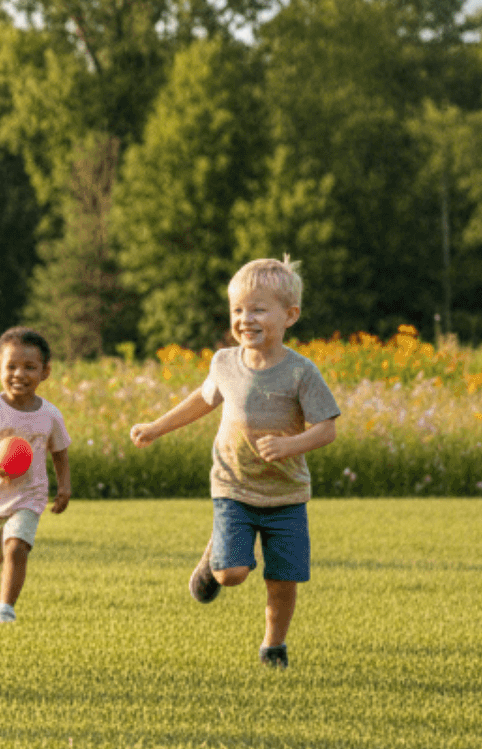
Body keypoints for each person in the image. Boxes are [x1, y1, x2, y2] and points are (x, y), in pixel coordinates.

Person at [130, 257, 339, 669]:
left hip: (286, 494)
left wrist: (291, 445)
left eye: (258, 309)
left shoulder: (301, 372)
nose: (245, 319)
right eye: (238, 310)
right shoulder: (225, 363)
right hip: (233, 486)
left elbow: (327, 428)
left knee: (283, 580)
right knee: (232, 574)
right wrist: (156, 427)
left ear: (290, 315)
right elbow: (202, 400)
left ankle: (273, 646)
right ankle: (215, 560)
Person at [0, 326, 71, 625]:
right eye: (11, 367)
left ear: (45, 372)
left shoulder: (50, 415)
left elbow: (60, 452)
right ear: (0, 369)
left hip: (29, 495)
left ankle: (5, 609)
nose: (19, 374)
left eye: (29, 367)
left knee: (17, 547)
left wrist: (64, 487)